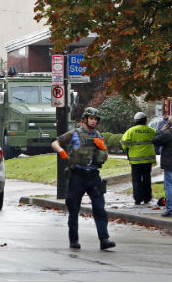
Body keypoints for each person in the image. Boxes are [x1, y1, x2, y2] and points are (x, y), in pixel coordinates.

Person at [51, 107, 115, 250]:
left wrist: (103, 148)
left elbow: (105, 157)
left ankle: (104, 239)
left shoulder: (98, 135)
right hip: (77, 176)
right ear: (85, 119)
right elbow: (55, 143)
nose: (93, 121)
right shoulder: (75, 133)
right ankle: (74, 240)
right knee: (73, 209)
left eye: (95, 119)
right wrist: (61, 151)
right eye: (91, 118)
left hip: (93, 176)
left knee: (99, 208)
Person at [120, 112, 156, 205]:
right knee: (147, 179)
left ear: (136, 120)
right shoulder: (151, 130)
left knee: (136, 180)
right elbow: (157, 139)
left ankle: (138, 198)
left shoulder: (131, 131)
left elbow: (123, 143)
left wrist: (127, 149)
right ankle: (147, 198)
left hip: (135, 161)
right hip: (148, 160)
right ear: (145, 120)